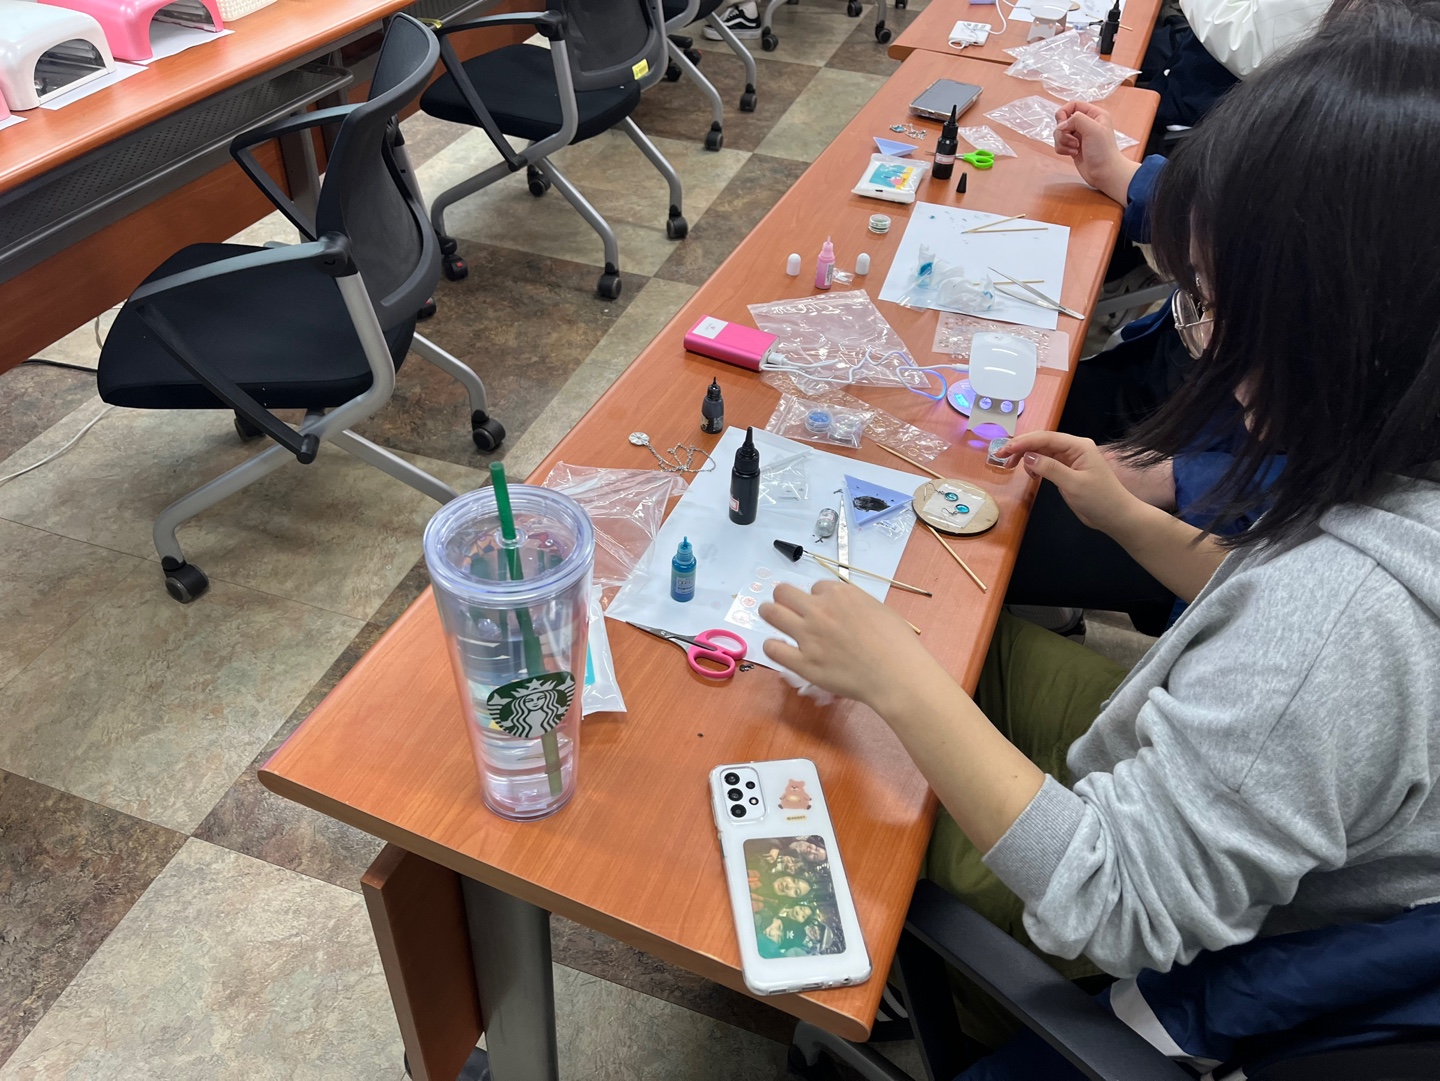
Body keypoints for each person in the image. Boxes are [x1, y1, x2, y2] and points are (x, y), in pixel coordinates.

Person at [759, 0, 1440, 1039]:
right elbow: (1269, 607)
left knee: (836, 746)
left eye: (1215, 312)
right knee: (948, 648)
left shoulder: (1336, 628)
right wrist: (1127, 518)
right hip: (1205, 763)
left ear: (1337, 333)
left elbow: (1113, 900)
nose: (1204, 347)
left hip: (1133, 912)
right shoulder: (1395, 474)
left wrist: (897, 682)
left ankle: (890, 978)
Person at [1005, 99, 1285, 635]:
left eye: (1215, 304)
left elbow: (1248, 586)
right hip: (1179, 423)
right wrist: (1121, 174)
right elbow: (1221, 213)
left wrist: (1178, 478)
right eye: (1197, 288)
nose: (1207, 337)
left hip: (1221, 509)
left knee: (1001, 532)